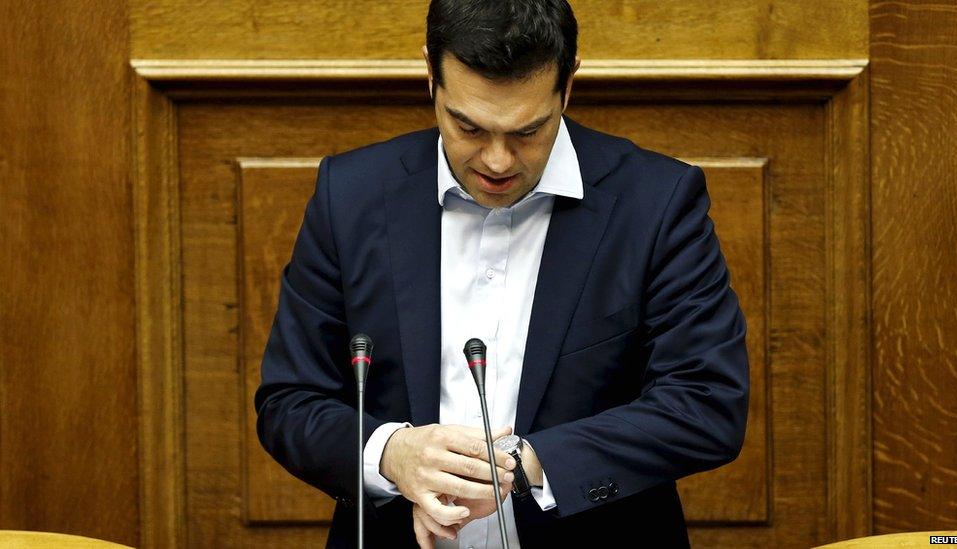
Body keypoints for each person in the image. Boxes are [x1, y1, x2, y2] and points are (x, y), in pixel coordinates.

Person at [255, 1, 750, 547]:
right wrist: (391, 454)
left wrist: (524, 463)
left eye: (528, 131)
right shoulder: (350, 194)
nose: (496, 161)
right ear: (430, 76)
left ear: (569, 85)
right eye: (467, 126)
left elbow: (706, 403)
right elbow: (290, 401)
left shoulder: (657, 203)